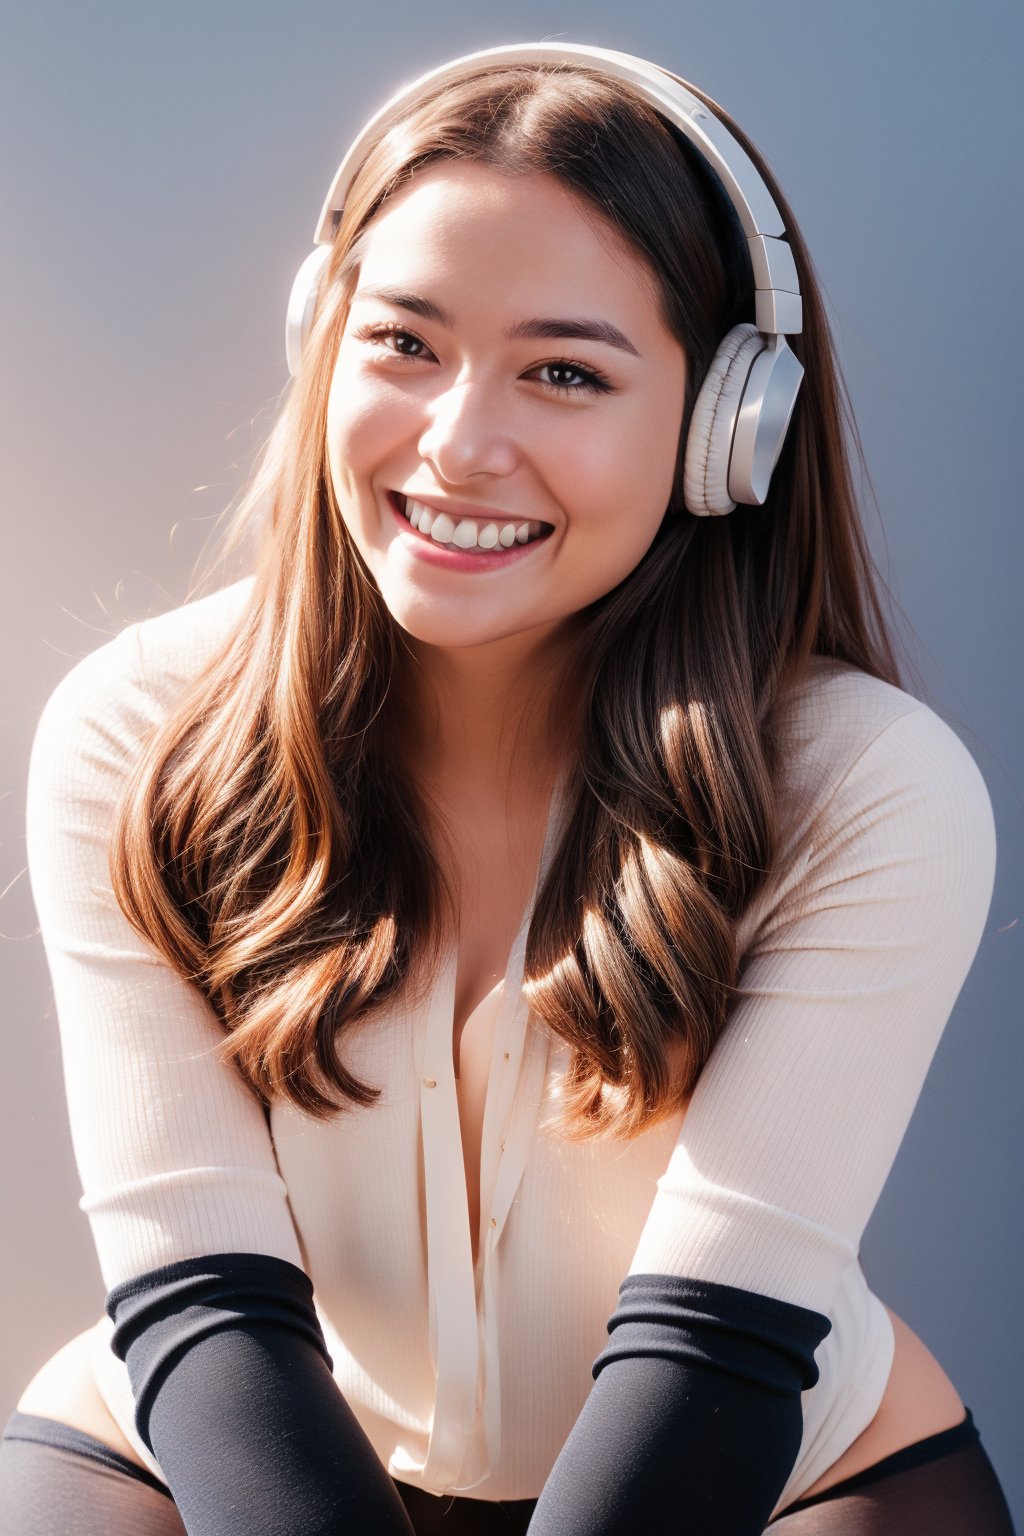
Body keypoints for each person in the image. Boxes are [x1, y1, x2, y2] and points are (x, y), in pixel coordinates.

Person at [0, 40, 1014, 1536]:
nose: (458, 445)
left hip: (760, 1462)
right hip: (234, 1434)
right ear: (322, 342)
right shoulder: (134, 734)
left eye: (564, 372)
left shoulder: (871, 788)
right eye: (403, 344)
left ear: (730, 427)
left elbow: (707, 1371)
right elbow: (208, 1319)